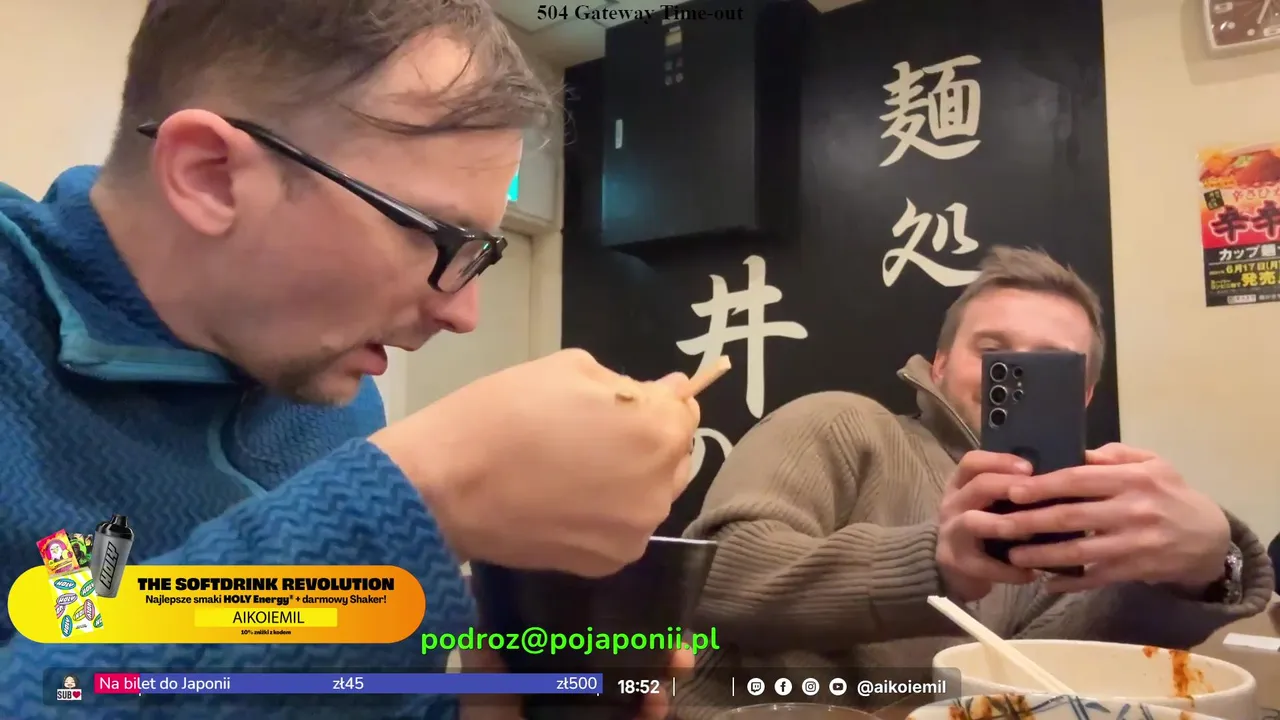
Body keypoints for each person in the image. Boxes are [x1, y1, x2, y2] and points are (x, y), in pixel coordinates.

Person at [0, 2, 696, 718]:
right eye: (438, 238)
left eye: (482, 255)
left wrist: (481, 704)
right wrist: (424, 493)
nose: (463, 314)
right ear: (211, 175)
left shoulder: (329, 395)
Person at [674, 247, 1275, 718]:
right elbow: (713, 577)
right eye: (994, 352)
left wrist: (1208, 569)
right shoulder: (842, 423)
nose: (1012, 379)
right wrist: (934, 561)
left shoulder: (1086, 515)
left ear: (1085, 394)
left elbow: (1069, 677)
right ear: (939, 364)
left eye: (1048, 364)